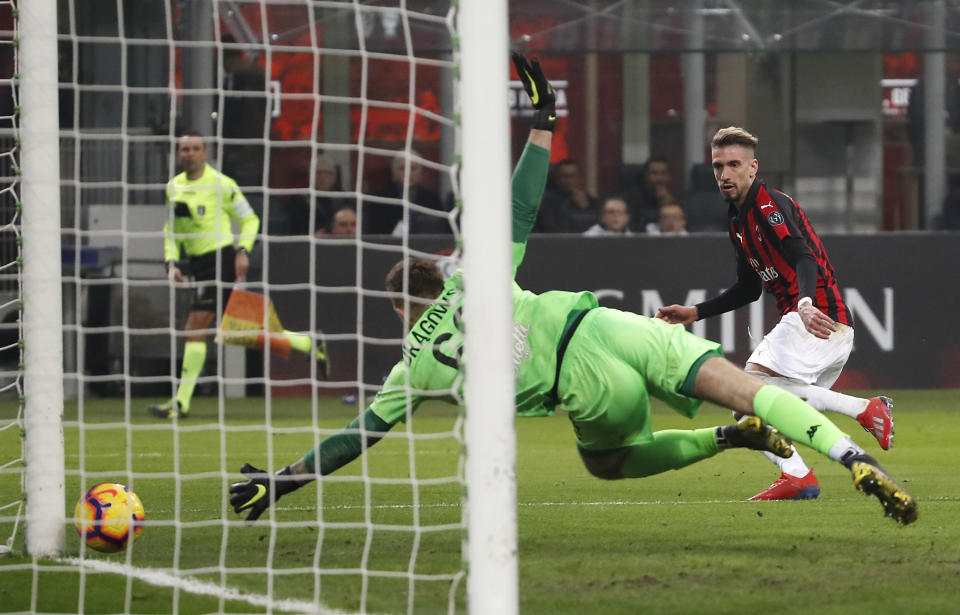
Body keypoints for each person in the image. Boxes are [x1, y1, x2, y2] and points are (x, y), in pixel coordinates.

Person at [229, 55, 917, 527]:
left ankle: (729, 440)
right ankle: (851, 457)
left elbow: (362, 434)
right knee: (748, 383)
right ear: (438, 274)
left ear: (399, 307)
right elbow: (522, 205)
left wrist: (284, 478)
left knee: (610, 462)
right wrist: (543, 122)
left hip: (582, 387)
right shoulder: (473, 276)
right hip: (607, 325)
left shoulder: (414, 364)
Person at [655, 126, 895, 501]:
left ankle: (857, 417)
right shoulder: (737, 224)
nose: (725, 174)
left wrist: (804, 303)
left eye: (734, 164)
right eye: (718, 166)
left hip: (815, 321)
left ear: (753, 168)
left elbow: (803, 256)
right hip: (821, 328)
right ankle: (804, 470)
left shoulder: (769, 204)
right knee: (766, 405)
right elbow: (749, 288)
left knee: (741, 395)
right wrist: (695, 312)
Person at [150, 132, 329, 419]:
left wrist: (243, 250)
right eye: (185, 149)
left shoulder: (221, 184)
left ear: (205, 153)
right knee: (239, 328)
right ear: (178, 154)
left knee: (195, 327)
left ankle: (181, 403)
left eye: (195, 148)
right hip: (197, 265)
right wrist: (172, 262)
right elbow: (172, 230)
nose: (190, 153)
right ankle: (307, 343)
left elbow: (250, 218)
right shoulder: (174, 188)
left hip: (220, 260)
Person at [366, 152, 448, 235]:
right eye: (402, 168)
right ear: (393, 174)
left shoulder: (432, 199)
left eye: (413, 168)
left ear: (421, 173)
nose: (408, 173)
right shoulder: (380, 199)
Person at [284, 157, 348, 236]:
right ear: (309, 177)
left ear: (333, 177)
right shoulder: (299, 200)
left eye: (327, 173)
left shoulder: (345, 197)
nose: (322, 177)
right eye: (318, 173)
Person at [535, 158, 600, 233]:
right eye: (564, 176)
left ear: (580, 177)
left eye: (572, 176)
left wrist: (585, 208)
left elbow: (595, 229)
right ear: (557, 178)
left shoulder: (590, 200)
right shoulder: (546, 201)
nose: (568, 180)